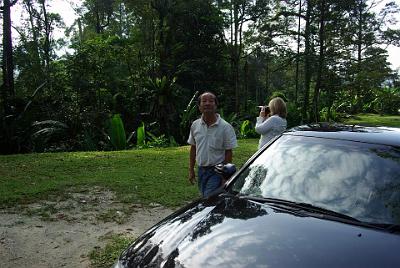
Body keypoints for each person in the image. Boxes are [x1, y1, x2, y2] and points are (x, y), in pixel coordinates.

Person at [187, 92, 237, 197]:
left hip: (217, 171)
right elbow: (193, 148)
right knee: (205, 197)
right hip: (201, 170)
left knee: (208, 198)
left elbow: (228, 152)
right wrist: (191, 170)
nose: (207, 103)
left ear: (216, 105)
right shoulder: (195, 125)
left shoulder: (225, 127)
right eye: (204, 101)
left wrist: (225, 176)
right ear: (199, 106)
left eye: (211, 101)